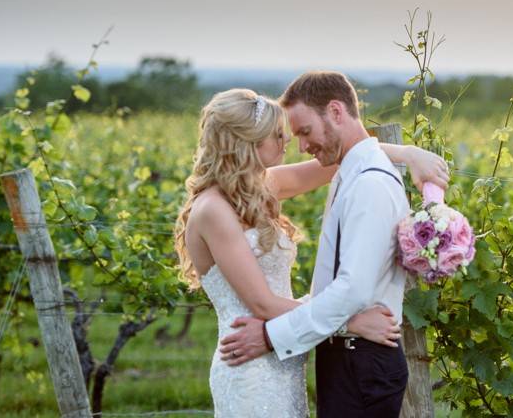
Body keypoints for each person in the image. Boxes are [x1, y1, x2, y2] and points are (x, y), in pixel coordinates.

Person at [174, 87, 449, 417]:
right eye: (276, 135)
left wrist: (408, 154)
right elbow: (261, 303)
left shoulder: (255, 188)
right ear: (244, 144)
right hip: (249, 366)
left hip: (281, 356)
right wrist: (351, 322)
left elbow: (341, 158)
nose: (289, 141)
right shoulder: (213, 210)